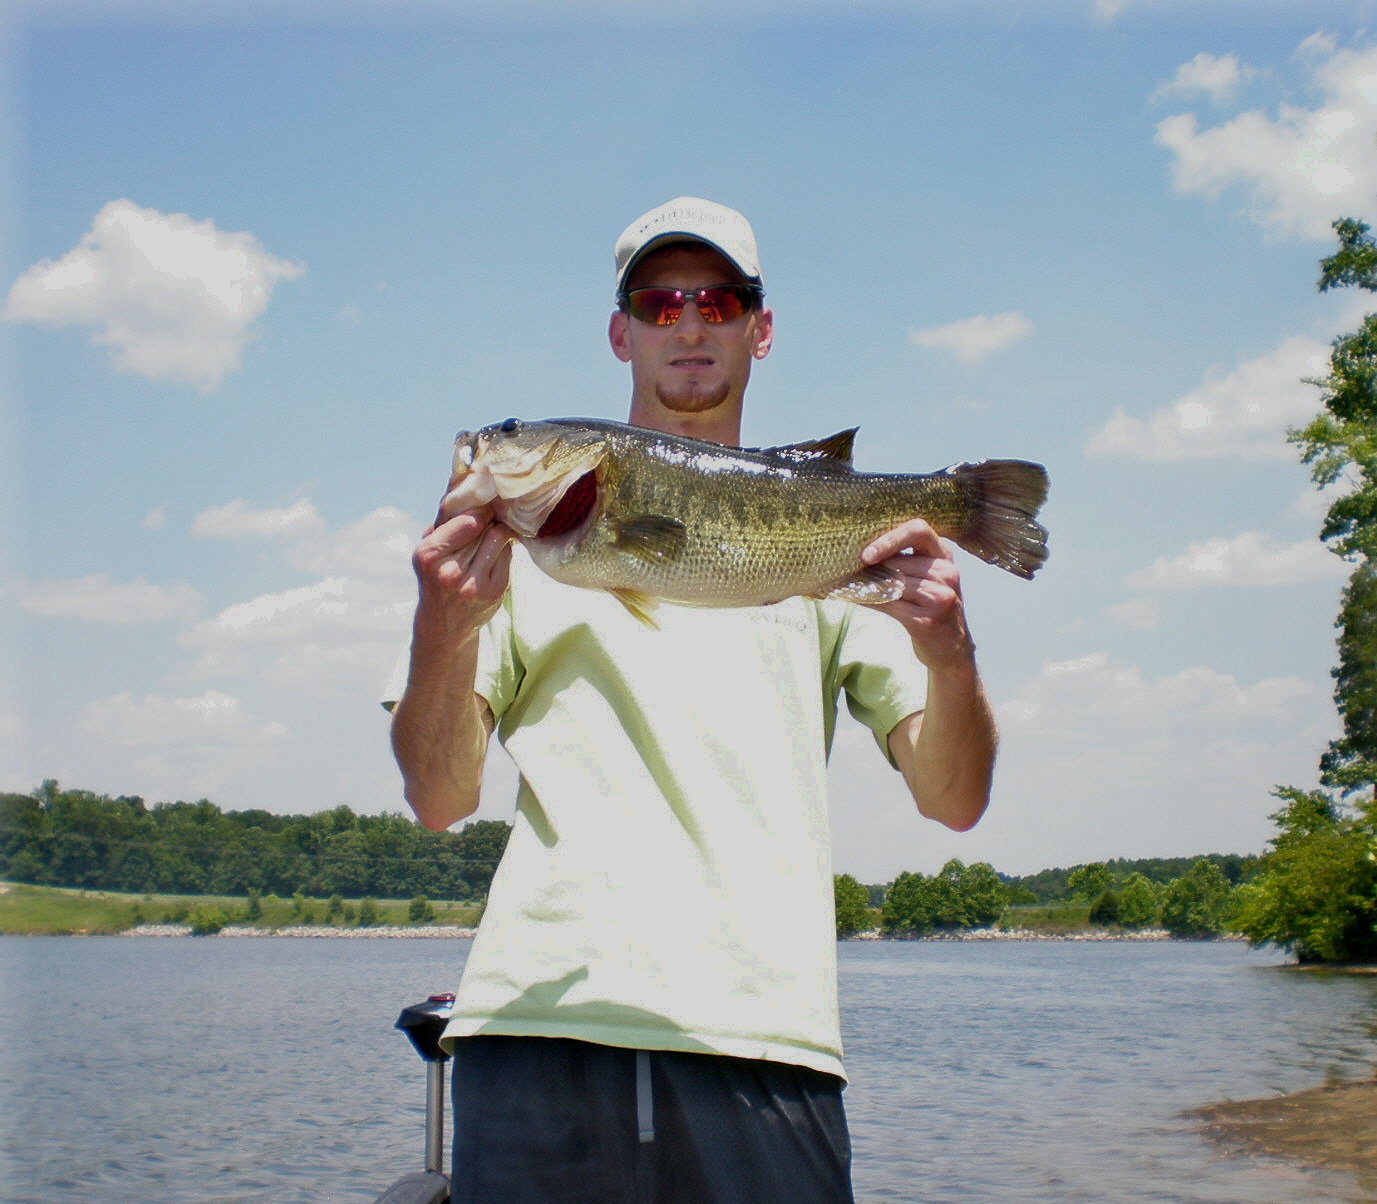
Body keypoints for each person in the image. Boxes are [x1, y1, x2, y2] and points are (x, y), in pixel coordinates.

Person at [386, 197, 997, 1204]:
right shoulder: (513, 555)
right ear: (620, 331)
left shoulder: (833, 553)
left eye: (718, 299)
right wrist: (443, 626)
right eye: (659, 302)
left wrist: (952, 651)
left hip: (764, 1040)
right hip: (536, 1024)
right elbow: (440, 795)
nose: (689, 323)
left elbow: (955, 797)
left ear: (760, 328)